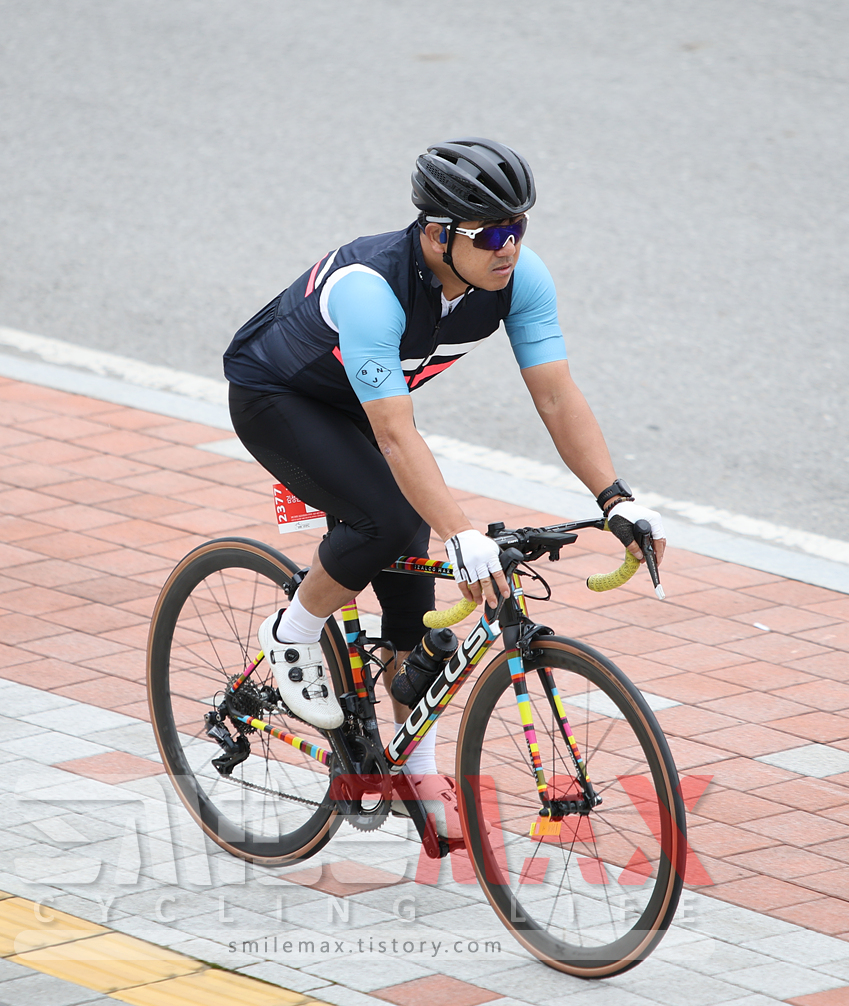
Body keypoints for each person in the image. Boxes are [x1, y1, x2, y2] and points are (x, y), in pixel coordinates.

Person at [223, 138, 666, 819]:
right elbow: (396, 436)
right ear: (436, 235)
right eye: (490, 234)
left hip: (364, 405)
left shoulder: (519, 278)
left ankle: (414, 767)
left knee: (413, 598)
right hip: (280, 398)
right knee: (391, 521)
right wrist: (460, 531)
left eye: (517, 228)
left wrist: (615, 499)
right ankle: (293, 630)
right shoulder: (371, 289)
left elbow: (555, 396)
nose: (508, 248)